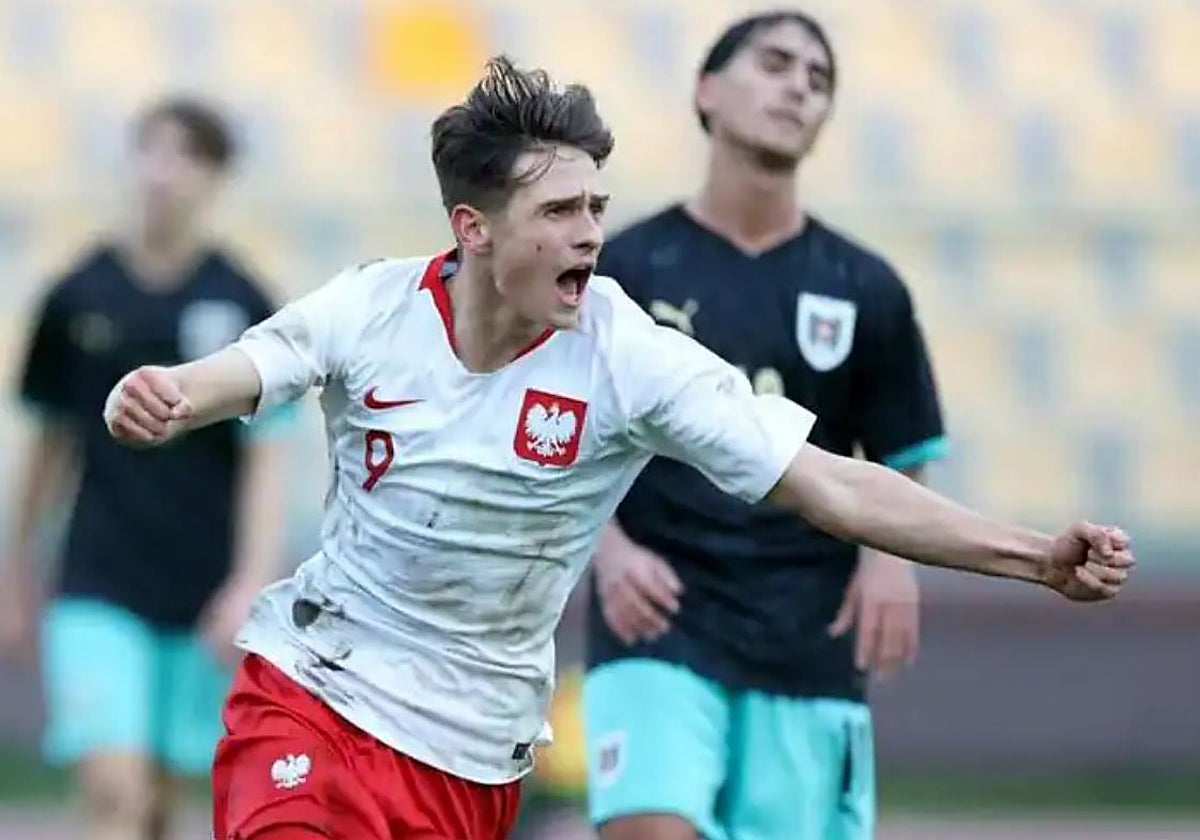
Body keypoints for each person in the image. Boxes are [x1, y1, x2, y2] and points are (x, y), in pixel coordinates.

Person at [101, 57, 1133, 840]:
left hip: (469, 750)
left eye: (597, 204)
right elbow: (248, 368)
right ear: (474, 228)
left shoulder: (629, 354)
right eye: (559, 210)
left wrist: (1033, 555)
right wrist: (168, 396)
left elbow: (832, 487)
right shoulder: (372, 309)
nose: (591, 233)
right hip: (311, 688)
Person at [583, 11, 943, 839]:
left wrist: (890, 564)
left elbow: (901, 447)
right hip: (659, 617)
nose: (798, 88)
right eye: (776, 64)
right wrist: (610, 550)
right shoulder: (624, 270)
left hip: (805, 630)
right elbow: (563, 427)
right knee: (649, 826)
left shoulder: (866, 286)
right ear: (708, 91)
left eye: (818, 81)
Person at [0, 98, 292, 840]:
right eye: (151, 151)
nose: (163, 173)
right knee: (114, 789)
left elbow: (266, 454)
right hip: (95, 581)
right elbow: (48, 446)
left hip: (197, 586)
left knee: (159, 799)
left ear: (216, 176)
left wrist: (249, 579)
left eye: (185, 156)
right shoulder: (76, 298)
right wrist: (16, 570)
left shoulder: (241, 301)